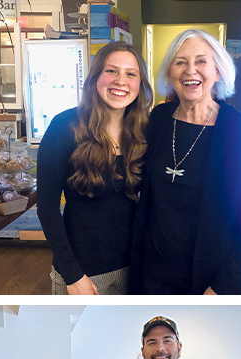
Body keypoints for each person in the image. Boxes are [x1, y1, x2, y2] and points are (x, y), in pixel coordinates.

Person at [130, 28, 241, 295]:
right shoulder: (158, 120)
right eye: (180, 62)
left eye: (201, 61)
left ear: (218, 71)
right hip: (152, 275)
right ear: (170, 73)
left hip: (214, 281)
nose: (190, 70)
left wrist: (221, 285)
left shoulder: (240, 130)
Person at [36, 41, 153, 295]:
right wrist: (72, 274)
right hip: (82, 272)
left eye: (131, 74)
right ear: (95, 77)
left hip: (133, 268)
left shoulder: (144, 131)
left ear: (139, 84)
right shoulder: (64, 127)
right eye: (111, 71)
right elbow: (46, 207)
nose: (121, 80)